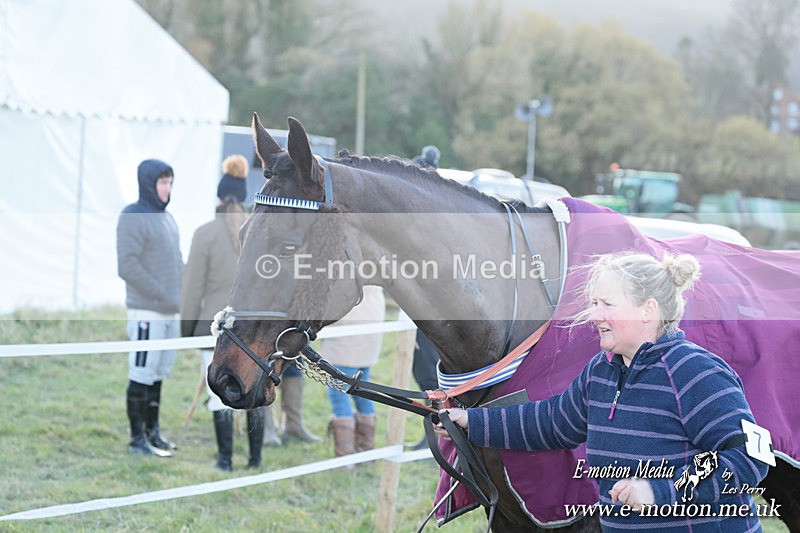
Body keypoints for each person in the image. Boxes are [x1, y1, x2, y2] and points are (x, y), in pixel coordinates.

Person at [435, 251, 769, 532]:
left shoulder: (695, 372)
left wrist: (662, 491)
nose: (595, 315)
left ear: (648, 310)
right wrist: (470, 421)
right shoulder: (602, 370)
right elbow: (552, 423)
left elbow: (750, 458)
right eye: (594, 302)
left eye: (607, 303)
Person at [180, 154, 272, 471]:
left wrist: (186, 328)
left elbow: (191, 289)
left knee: (218, 392)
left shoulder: (205, 233)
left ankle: (225, 460)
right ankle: (255, 458)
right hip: (254, 330)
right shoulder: (258, 233)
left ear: (219, 196)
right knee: (253, 387)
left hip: (214, 330)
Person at [117, 159, 183, 457]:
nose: (167, 188)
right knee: (141, 373)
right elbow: (127, 266)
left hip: (171, 312)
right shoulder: (132, 216)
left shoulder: (167, 219)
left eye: (170, 182)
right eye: (162, 182)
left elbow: (176, 263)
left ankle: (153, 433)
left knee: (158, 373)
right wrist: (160, 296)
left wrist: (184, 293)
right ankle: (136, 440)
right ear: (148, 182)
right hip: (147, 311)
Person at [321, 286, 386, 457]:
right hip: (371, 323)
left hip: (346, 330)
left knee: (339, 394)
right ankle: (365, 452)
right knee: (363, 392)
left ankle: (346, 456)